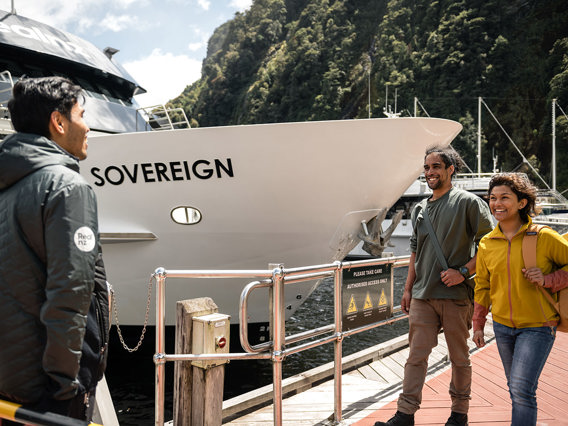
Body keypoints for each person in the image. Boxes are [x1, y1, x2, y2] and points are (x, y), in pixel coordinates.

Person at [0, 77, 109, 423]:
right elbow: (70, 291)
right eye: (81, 114)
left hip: (11, 378)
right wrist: (65, 385)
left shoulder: (7, 191)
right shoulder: (67, 187)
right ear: (58, 122)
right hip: (52, 386)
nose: (87, 126)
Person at [375, 146, 494, 426]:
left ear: (450, 169)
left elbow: (490, 245)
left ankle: (459, 414)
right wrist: (407, 289)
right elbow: (415, 251)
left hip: (455, 295)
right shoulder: (420, 208)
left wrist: (463, 272)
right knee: (416, 357)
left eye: (436, 166)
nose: (430, 172)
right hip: (422, 296)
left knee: (459, 358)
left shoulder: (468, 203)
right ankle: (404, 415)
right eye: (427, 167)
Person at [472, 172, 568, 426]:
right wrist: (478, 324)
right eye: (492, 198)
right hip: (502, 327)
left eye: (505, 197)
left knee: (521, 389)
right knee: (517, 389)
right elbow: (482, 286)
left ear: (522, 203)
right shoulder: (486, 244)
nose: (497, 204)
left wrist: (548, 279)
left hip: (538, 326)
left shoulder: (543, 237)